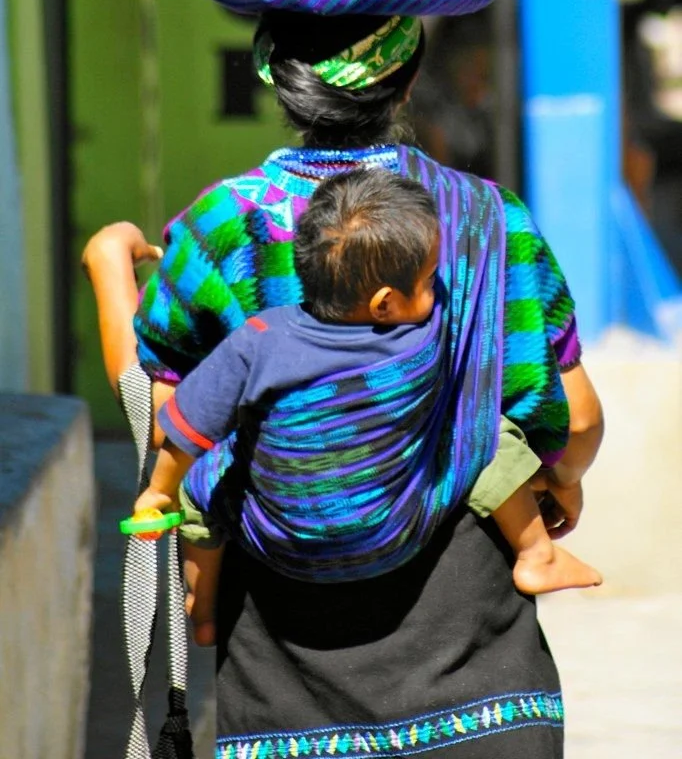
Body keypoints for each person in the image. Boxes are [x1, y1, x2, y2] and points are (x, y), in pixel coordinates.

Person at [83, 9, 604, 759]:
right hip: (477, 665)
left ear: (277, 79)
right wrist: (563, 478)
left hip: (283, 665)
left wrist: (109, 269)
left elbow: (161, 407)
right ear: (408, 78)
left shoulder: (221, 226)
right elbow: (576, 417)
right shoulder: (487, 218)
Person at [132, 167, 600, 646]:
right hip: (389, 538)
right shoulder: (427, 335)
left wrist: (159, 492)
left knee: (201, 487)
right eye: (429, 279)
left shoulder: (259, 339)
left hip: (282, 545)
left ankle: (204, 607)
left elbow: (188, 426)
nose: (438, 290)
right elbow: (555, 407)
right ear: (384, 305)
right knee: (485, 435)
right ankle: (536, 553)